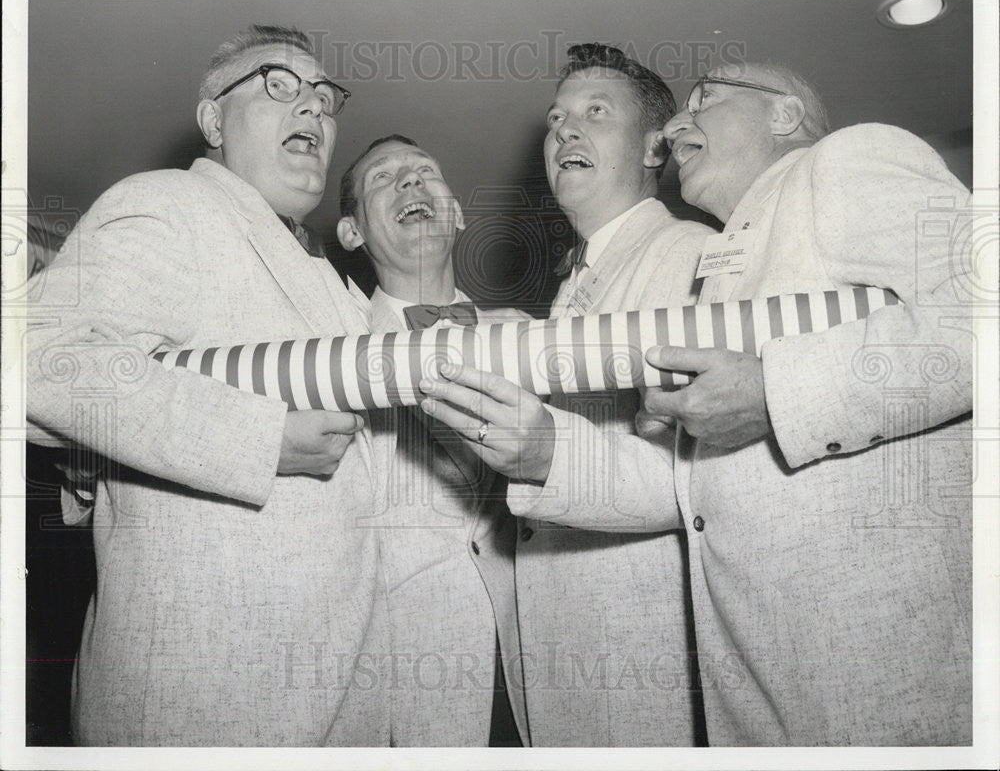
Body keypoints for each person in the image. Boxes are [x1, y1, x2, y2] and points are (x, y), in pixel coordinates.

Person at [420, 60, 973, 746]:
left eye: (705, 98)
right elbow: (686, 481)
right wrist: (538, 427)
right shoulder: (726, 271)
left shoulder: (846, 159)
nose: (682, 121)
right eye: (557, 119)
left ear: (785, 116)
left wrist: (774, 391)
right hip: (753, 679)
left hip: (880, 667)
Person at [26, 26, 388, 746]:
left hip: (340, 705)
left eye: (323, 96)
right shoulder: (165, 203)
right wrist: (260, 439)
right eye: (279, 85)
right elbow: (41, 359)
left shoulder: (333, 283)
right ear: (215, 120)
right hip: (200, 700)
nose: (312, 109)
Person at [422, 44, 715, 746]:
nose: (565, 131)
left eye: (595, 113)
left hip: (642, 657)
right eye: (557, 118)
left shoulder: (690, 255)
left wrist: (544, 453)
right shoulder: (568, 287)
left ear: (654, 148)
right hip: (558, 657)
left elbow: (702, 485)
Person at [336, 135, 529, 746]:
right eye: (384, 178)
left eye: (426, 172)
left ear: (459, 211)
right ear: (351, 233)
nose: (411, 183)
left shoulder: (536, 337)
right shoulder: (323, 347)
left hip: (537, 667)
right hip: (398, 681)